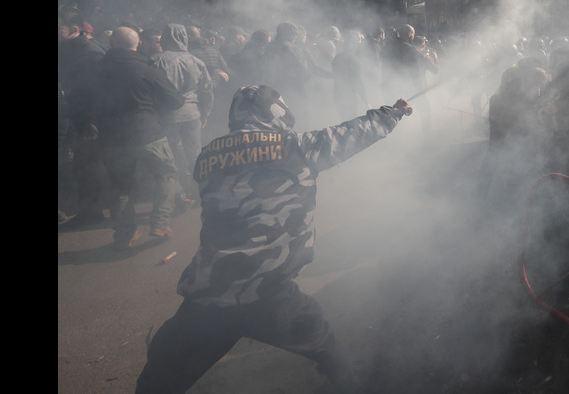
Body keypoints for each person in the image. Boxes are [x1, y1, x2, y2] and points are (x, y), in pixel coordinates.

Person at [135, 85, 413, 394]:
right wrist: (393, 112)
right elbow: (355, 132)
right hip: (269, 289)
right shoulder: (296, 147)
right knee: (326, 346)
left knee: (161, 374)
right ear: (278, 112)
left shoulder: (207, 155)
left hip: (210, 290)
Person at [76, 26, 185, 249]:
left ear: (112, 44)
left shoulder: (95, 69)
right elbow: (174, 100)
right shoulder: (147, 68)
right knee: (166, 174)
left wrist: (86, 125)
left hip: (112, 137)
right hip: (147, 133)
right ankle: (160, 223)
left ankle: (126, 232)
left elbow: (81, 102)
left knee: (120, 186)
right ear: (138, 44)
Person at [152, 23, 214, 213]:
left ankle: (179, 195)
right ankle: (200, 191)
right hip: (192, 113)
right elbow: (207, 91)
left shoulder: (156, 60)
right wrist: (206, 113)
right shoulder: (195, 61)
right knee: (194, 153)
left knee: (171, 155)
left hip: (167, 115)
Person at [58, 6, 109, 227]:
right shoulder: (66, 49)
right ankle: (89, 211)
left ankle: (93, 214)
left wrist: (90, 121)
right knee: (81, 167)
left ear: (74, 29)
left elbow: (100, 91)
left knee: (89, 168)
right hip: (76, 117)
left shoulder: (90, 52)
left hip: (91, 121)